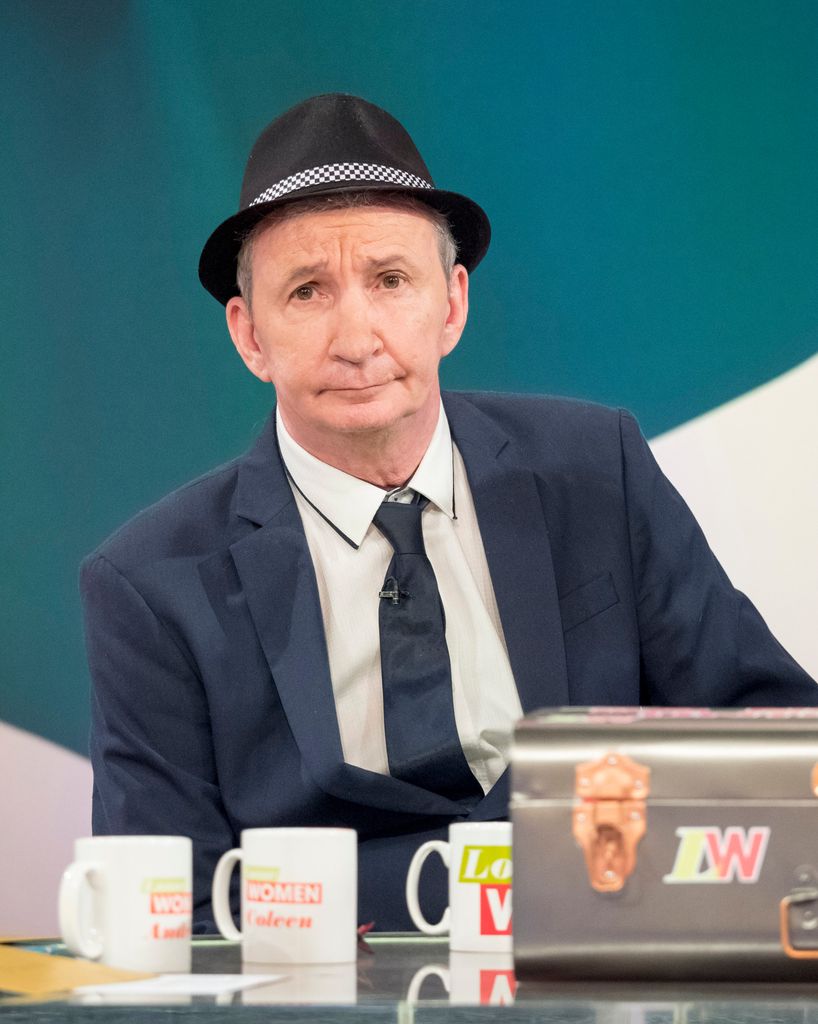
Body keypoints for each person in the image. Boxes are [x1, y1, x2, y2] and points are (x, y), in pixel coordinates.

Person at [81, 93, 817, 933]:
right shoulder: (148, 585)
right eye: (309, 292)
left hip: (599, 961)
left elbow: (775, 740)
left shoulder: (595, 473)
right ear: (250, 335)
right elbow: (169, 905)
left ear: (453, 305)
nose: (357, 337)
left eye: (391, 281)